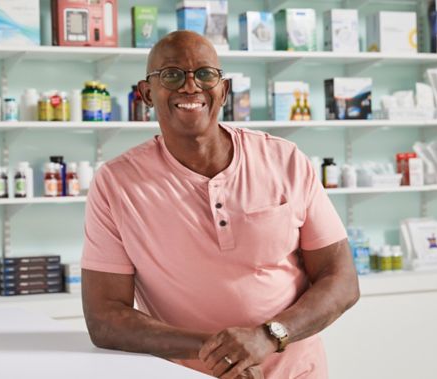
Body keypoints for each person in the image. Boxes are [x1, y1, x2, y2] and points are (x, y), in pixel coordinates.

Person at [81, 31, 360, 379]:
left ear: (224, 90)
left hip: (296, 372)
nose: (190, 87)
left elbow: (342, 280)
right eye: (171, 74)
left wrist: (267, 337)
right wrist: (220, 351)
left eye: (205, 74)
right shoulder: (117, 183)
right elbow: (105, 318)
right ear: (147, 93)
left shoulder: (285, 160)